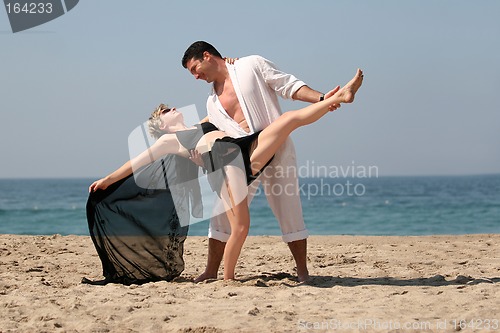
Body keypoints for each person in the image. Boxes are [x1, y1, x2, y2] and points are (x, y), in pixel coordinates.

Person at [89, 71, 363, 280]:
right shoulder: (168, 142)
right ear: (160, 125)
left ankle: (336, 97)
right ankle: (228, 278)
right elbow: (136, 163)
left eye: (169, 107)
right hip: (222, 163)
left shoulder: (202, 122)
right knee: (241, 226)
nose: (171, 109)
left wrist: (230, 63)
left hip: (240, 149)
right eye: (164, 112)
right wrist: (107, 180)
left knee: (288, 120)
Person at [182, 41, 349, 282]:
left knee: (288, 207)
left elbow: (287, 85)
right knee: (221, 212)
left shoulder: (250, 65)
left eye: (194, 69)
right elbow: (211, 133)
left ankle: (302, 271)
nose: (196, 76)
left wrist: (321, 98)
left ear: (207, 56)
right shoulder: (212, 102)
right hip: (241, 158)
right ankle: (211, 270)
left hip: (275, 145)